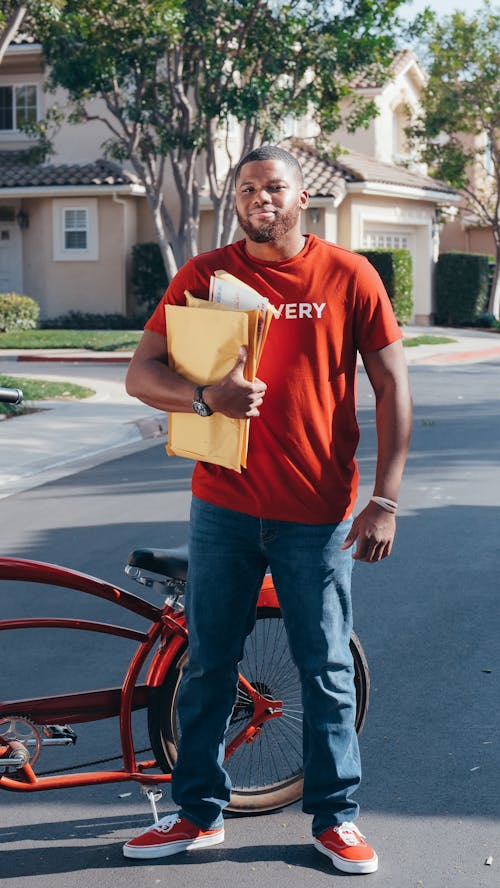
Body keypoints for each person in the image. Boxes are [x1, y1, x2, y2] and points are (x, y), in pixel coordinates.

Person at [123, 145, 412, 874]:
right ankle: (198, 814)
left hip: (314, 510)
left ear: (301, 199)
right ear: (237, 199)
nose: (261, 198)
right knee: (208, 664)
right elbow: (141, 373)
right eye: (248, 188)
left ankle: (335, 818)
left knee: (324, 669)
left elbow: (393, 388)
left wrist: (385, 499)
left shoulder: (348, 276)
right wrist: (202, 399)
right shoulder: (205, 276)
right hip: (221, 505)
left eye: (274, 187)